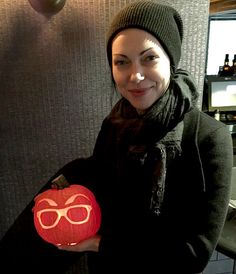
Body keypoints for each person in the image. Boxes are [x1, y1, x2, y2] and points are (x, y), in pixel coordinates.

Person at [0, 1, 233, 274]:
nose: (135, 75)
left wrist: (99, 244)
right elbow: (100, 200)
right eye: (122, 62)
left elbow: (193, 255)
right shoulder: (115, 125)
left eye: (149, 58)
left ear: (171, 59)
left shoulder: (207, 138)